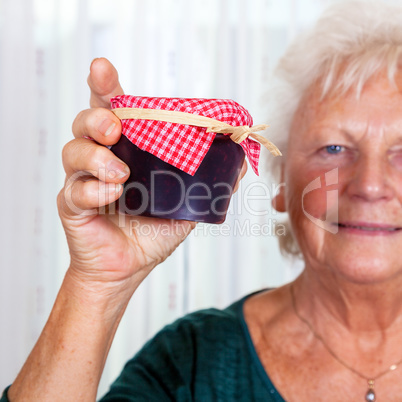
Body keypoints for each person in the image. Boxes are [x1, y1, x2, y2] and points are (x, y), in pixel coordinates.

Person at [3, 0, 402, 400]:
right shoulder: (190, 362)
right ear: (280, 183)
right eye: (333, 148)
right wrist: (96, 286)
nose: (370, 185)